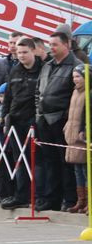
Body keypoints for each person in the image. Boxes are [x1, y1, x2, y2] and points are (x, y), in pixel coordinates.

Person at [35, 31, 80, 211]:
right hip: (44, 120)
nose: (51, 48)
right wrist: (38, 114)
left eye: (55, 44)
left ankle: (69, 200)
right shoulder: (47, 66)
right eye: (50, 44)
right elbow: (38, 92)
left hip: (61, 121)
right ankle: (52, 199)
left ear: (66, 45)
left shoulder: (75, 66)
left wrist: (67, 119)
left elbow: (76, 95)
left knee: (66, 162)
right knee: (49, 162)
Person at [0, 38, 42, 209]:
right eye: (19, 53)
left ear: (33, 51)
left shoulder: (42, 69)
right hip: (16, 121)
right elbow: (8, 96)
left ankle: (38, 196)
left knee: (37, 160)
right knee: (19, 160)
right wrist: (4, 117)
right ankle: (22, 195)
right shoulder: (15, 70)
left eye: (25, 52)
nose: (22, 56)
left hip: (34, 121)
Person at [63, 64, 88, 214]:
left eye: (78, 76)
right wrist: (67, 126)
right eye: (73, 77)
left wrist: (84, 130)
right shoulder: (75, 92)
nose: (75, 80)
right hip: (72, 136)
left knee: (85, 170)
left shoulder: (88, 92)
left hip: (82, 136)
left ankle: (88, 202)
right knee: (77, 169)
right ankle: (81, 201)